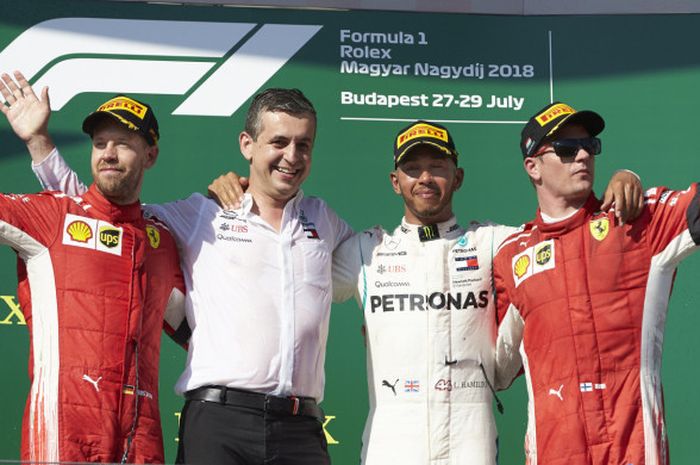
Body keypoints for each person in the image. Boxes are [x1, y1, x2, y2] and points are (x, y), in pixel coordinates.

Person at [209, 120, 642, 465]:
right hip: (390, 443)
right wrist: (243, 188)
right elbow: (281, 268)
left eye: (437, 166)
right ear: (395, 181)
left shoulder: (497, 244)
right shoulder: (365, 251)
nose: (426, 177)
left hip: (470, 442)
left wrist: (623, 177)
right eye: (413, 168)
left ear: (458, 176)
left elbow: (565, 233)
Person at [21, 80, 352, 464]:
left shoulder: (325, 220)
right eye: (279, 142)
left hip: (301, 428)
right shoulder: (200, 214)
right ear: (247, 144)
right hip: (219, 422)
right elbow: (101, 217)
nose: (291, 156)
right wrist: (39, 144)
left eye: (303, 144)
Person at [493, 101, 699, 465]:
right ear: (533, 167)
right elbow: (495, 368)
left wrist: (629, 173)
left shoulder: (639, 220)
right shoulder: (512, 257)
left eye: (591, 146)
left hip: (635, 452)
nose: (584, 155)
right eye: (568, 149)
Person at [0, 71, 186, 463]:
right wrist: (37, 141)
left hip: (142, 435)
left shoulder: (162, 242)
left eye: (123, 144)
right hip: (64, 428)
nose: (108, 154)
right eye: (100, 143)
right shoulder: (53, 217)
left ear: (150, 156)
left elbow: (194, 329)